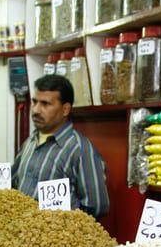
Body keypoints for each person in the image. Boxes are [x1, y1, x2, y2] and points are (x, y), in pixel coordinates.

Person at [12, 74, 109, 218]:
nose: (36, 110)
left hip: (56, 237)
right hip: (21, 234)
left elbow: (97, 206)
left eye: (45, 104)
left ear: (65, 109)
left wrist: (63, 226)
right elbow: (14, 184)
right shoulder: (30, 141)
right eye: (34, 102)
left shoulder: (80, 150)